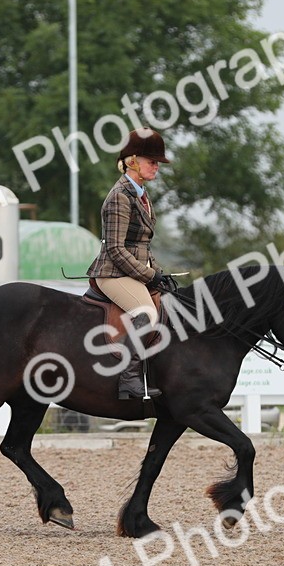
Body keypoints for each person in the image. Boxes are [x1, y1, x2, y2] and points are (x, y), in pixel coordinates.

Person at [87, 127, 177, 399]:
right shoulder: (120, 196)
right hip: (112, 273)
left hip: (130, 271)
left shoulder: (141, 195)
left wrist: (159, 273)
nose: (156, 167)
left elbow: (141, 245)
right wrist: (149, 276)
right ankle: (129, 378)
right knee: (146, 313)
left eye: (158, 163)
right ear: (133, 161)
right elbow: (115, 249)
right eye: (152, 162)